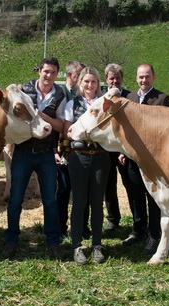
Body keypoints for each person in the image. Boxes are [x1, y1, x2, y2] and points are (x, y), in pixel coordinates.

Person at [4, 56, 68, 260]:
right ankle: (11, 240)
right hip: (23, 152)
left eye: (53, 72)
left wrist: (42, 116)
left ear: (57, 75)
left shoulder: (60, 94)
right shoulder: (24, 90)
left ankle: (53, 242)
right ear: (39, 71)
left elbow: (61, 126)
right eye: (45, 71)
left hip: (46, 154)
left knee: (50, 201)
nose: (49, 76)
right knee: (15, 200)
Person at [121, 63, 169, 254]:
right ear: (136, 78)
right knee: (135, 194)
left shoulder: (162, 98)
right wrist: (122, 151)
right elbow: (125, 129)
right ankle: (138, 229)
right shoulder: (129, 98)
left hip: (153, 160)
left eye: (147, 76)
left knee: (153, 198)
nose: (144, 80)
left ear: (153, 77)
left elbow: (165, 130)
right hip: (133, 158)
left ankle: (154, 234)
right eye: (141, 77)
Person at [65, 66, 110, 264]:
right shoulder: (71, 104)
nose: (90, 85)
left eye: (93, 81)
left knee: (97, 202)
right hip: (79, 156)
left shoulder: (104, 104)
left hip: (100, 156)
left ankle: (97, 245)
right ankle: (77, 246)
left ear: (98, 83)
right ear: (80, 83)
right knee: (79, 202)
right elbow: (68, 132)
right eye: (86, 81)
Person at [102, 63, 134, 233]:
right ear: (106, 80)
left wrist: (124, 151)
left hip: (125, 151)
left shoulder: (130, 98)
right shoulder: (101, 99)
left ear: (122, 79)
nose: (115, 81)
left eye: (117, 78)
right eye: (111, 78)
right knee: (109, 186)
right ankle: (113, 219)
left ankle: (137, 220)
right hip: (107, 149)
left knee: (131, 185)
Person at [56, 60, 85, 238]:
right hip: (63, 148)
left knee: (81, 190)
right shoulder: (60, 94)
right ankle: (60, 227)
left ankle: (82, 227)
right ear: (69, 75)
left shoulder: (82, 94)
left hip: (80, 149)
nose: (81, 78)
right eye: (78, 75)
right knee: (63, 189)